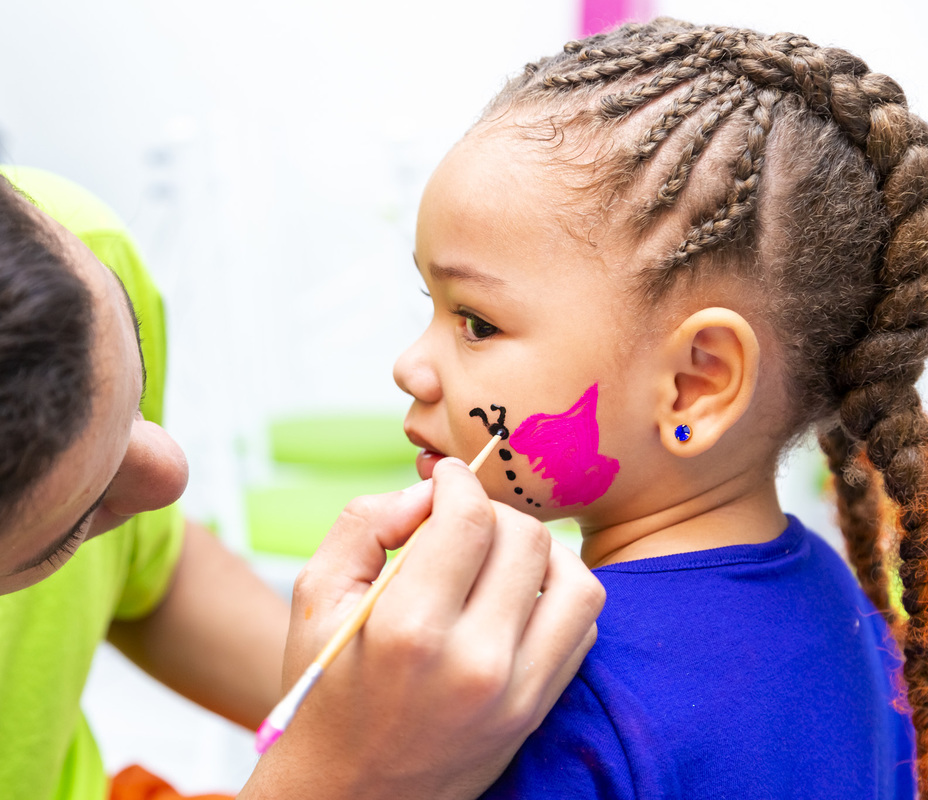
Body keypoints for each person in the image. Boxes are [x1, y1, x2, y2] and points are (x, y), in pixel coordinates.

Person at [0, 52, 605, 800]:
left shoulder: (75, 242)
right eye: (74, 525)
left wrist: (384, 706)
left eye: (135, 383)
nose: (169, 474)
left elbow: (152, 577)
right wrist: (343, 774)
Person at [392, 17, 920, 798]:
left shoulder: (551, 697)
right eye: (428, 304)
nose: (411, 368)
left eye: (476, 322)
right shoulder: (840, 603)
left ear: (694, 383)